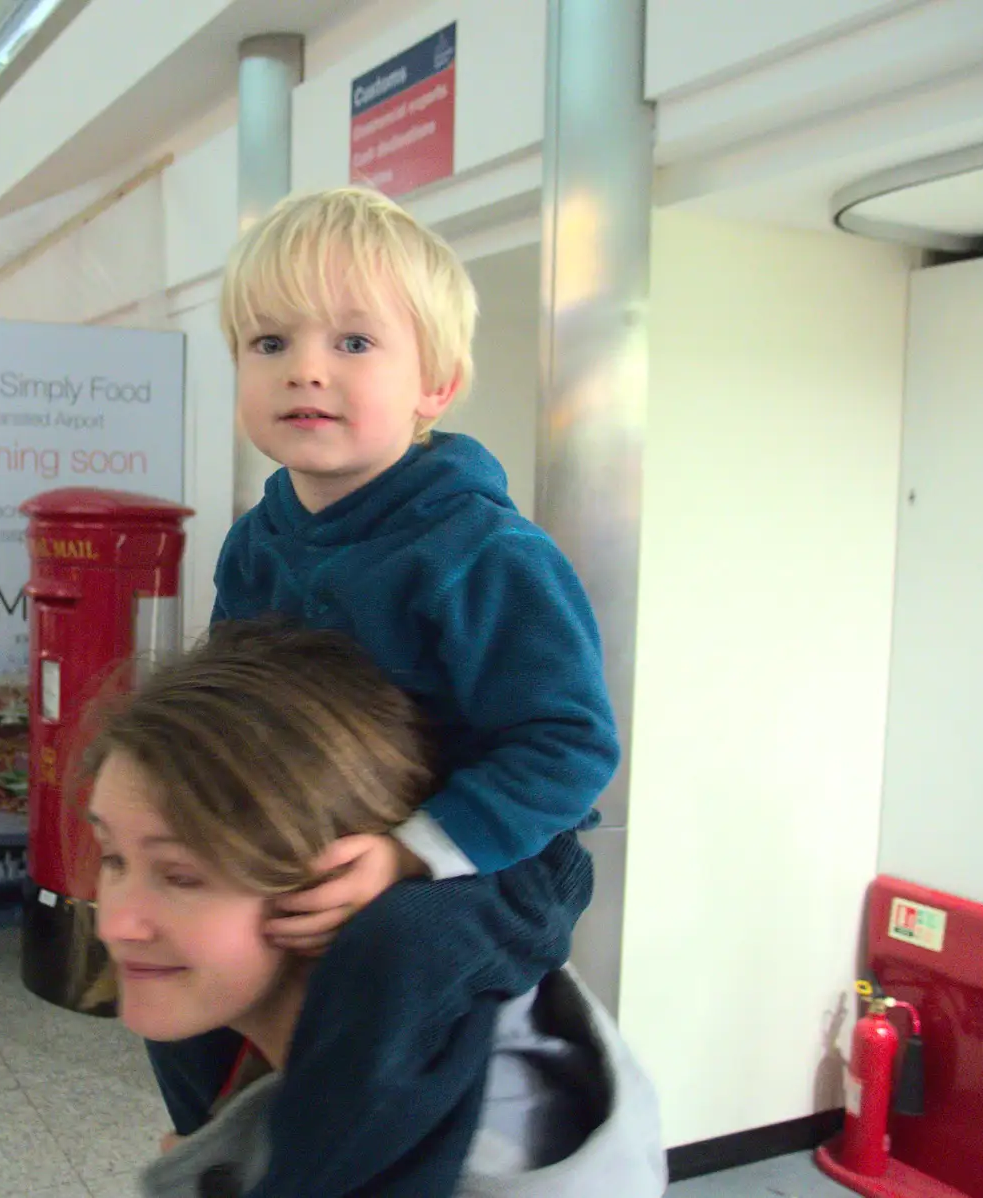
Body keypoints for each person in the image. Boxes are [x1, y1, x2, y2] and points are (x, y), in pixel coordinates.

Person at [147, 186, 621, 1136]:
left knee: (391, 951)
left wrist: (409, 854)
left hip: (492, 861)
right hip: (321, 836)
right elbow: (235, 710)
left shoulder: (485, 555)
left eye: (353, 344)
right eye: (269, 344)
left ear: (434, 386)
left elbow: (569, 747)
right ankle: (229, 1146)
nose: (305, 373)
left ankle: (356, 1168)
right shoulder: (256, 543)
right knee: (179, 927)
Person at [88, 623, 665, 1198]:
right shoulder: (254, 1052)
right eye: (113, 858)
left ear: (341, 878)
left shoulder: (485, 1172)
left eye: (181, 876)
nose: (115, 924)